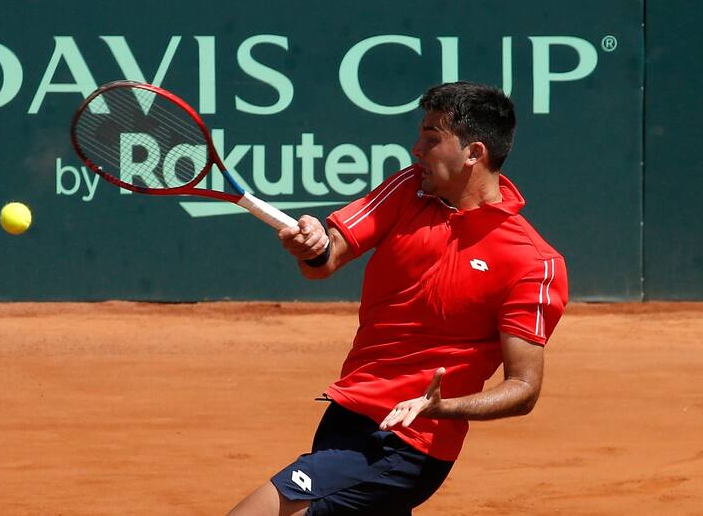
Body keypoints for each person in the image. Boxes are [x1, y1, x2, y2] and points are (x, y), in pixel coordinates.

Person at [227, 81, 568, 516]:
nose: (415, 149)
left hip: (406, 443)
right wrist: (311, 246)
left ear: (474, 153)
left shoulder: (533, 263)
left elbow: (523, 389)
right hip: (347, 414)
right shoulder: (408, 189)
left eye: (431, 138)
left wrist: (443, 407)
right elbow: (327, 258)